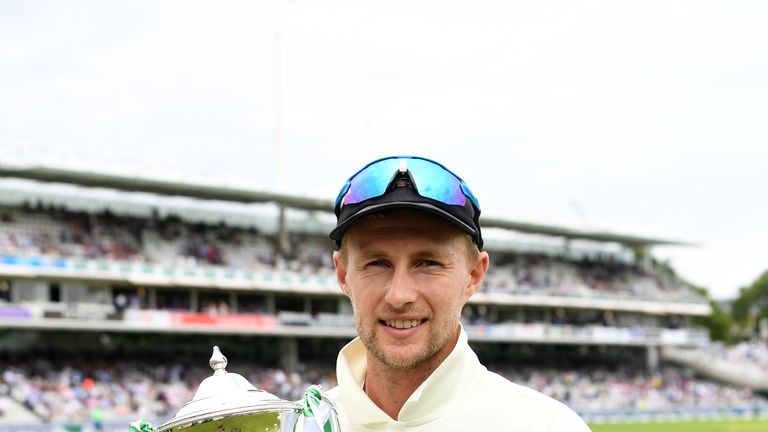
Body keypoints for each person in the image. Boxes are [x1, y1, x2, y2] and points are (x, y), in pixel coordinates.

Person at [327, 156, 591, 431]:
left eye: (428, 263)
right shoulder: (301, 423)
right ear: (343, 274)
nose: (399, 295)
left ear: (474, 275)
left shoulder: (548, 426)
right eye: (377, 263)